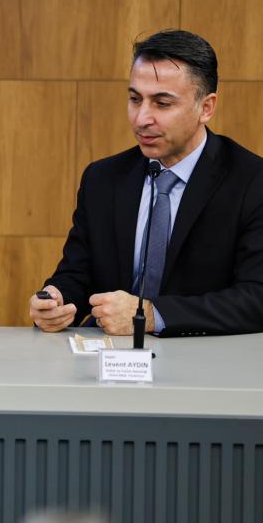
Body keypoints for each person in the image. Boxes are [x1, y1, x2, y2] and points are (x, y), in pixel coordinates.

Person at [30, 30, 263, 337]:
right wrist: (56, 299)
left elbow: (256, 298)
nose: (141, 119)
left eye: (162, 103)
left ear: (206, 107)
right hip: (111, 355)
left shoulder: (251, 181)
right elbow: (78, 274)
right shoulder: (103, 178)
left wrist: (151, 316)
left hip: (205, 357)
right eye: (135, 99)